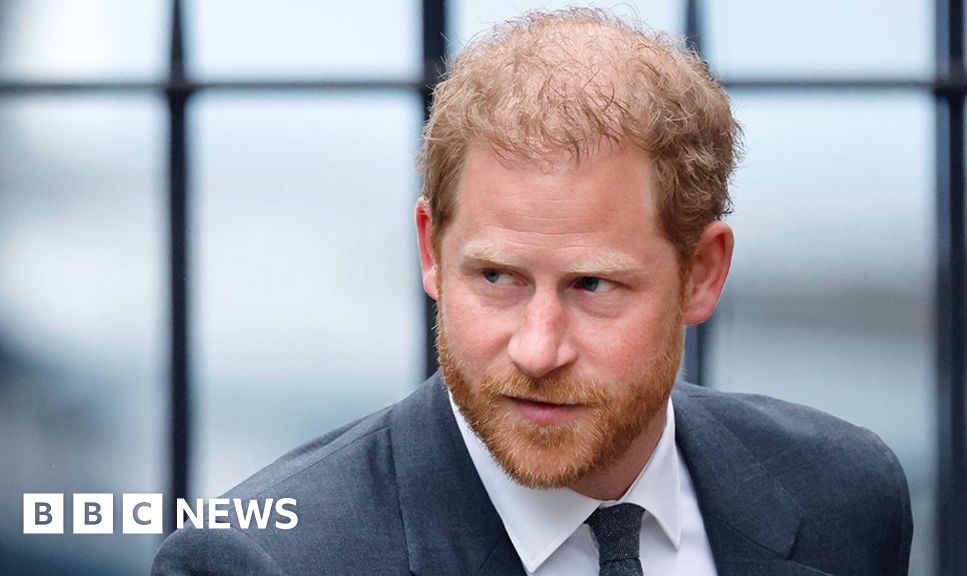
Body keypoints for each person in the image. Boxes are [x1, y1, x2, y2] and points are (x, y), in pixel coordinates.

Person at [152, 8, 912, 576]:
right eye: (496, 278)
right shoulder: (265, 560)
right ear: (430, 249)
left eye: (593, 284)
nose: (538, 350)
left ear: (702, 274)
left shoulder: (843, 493)